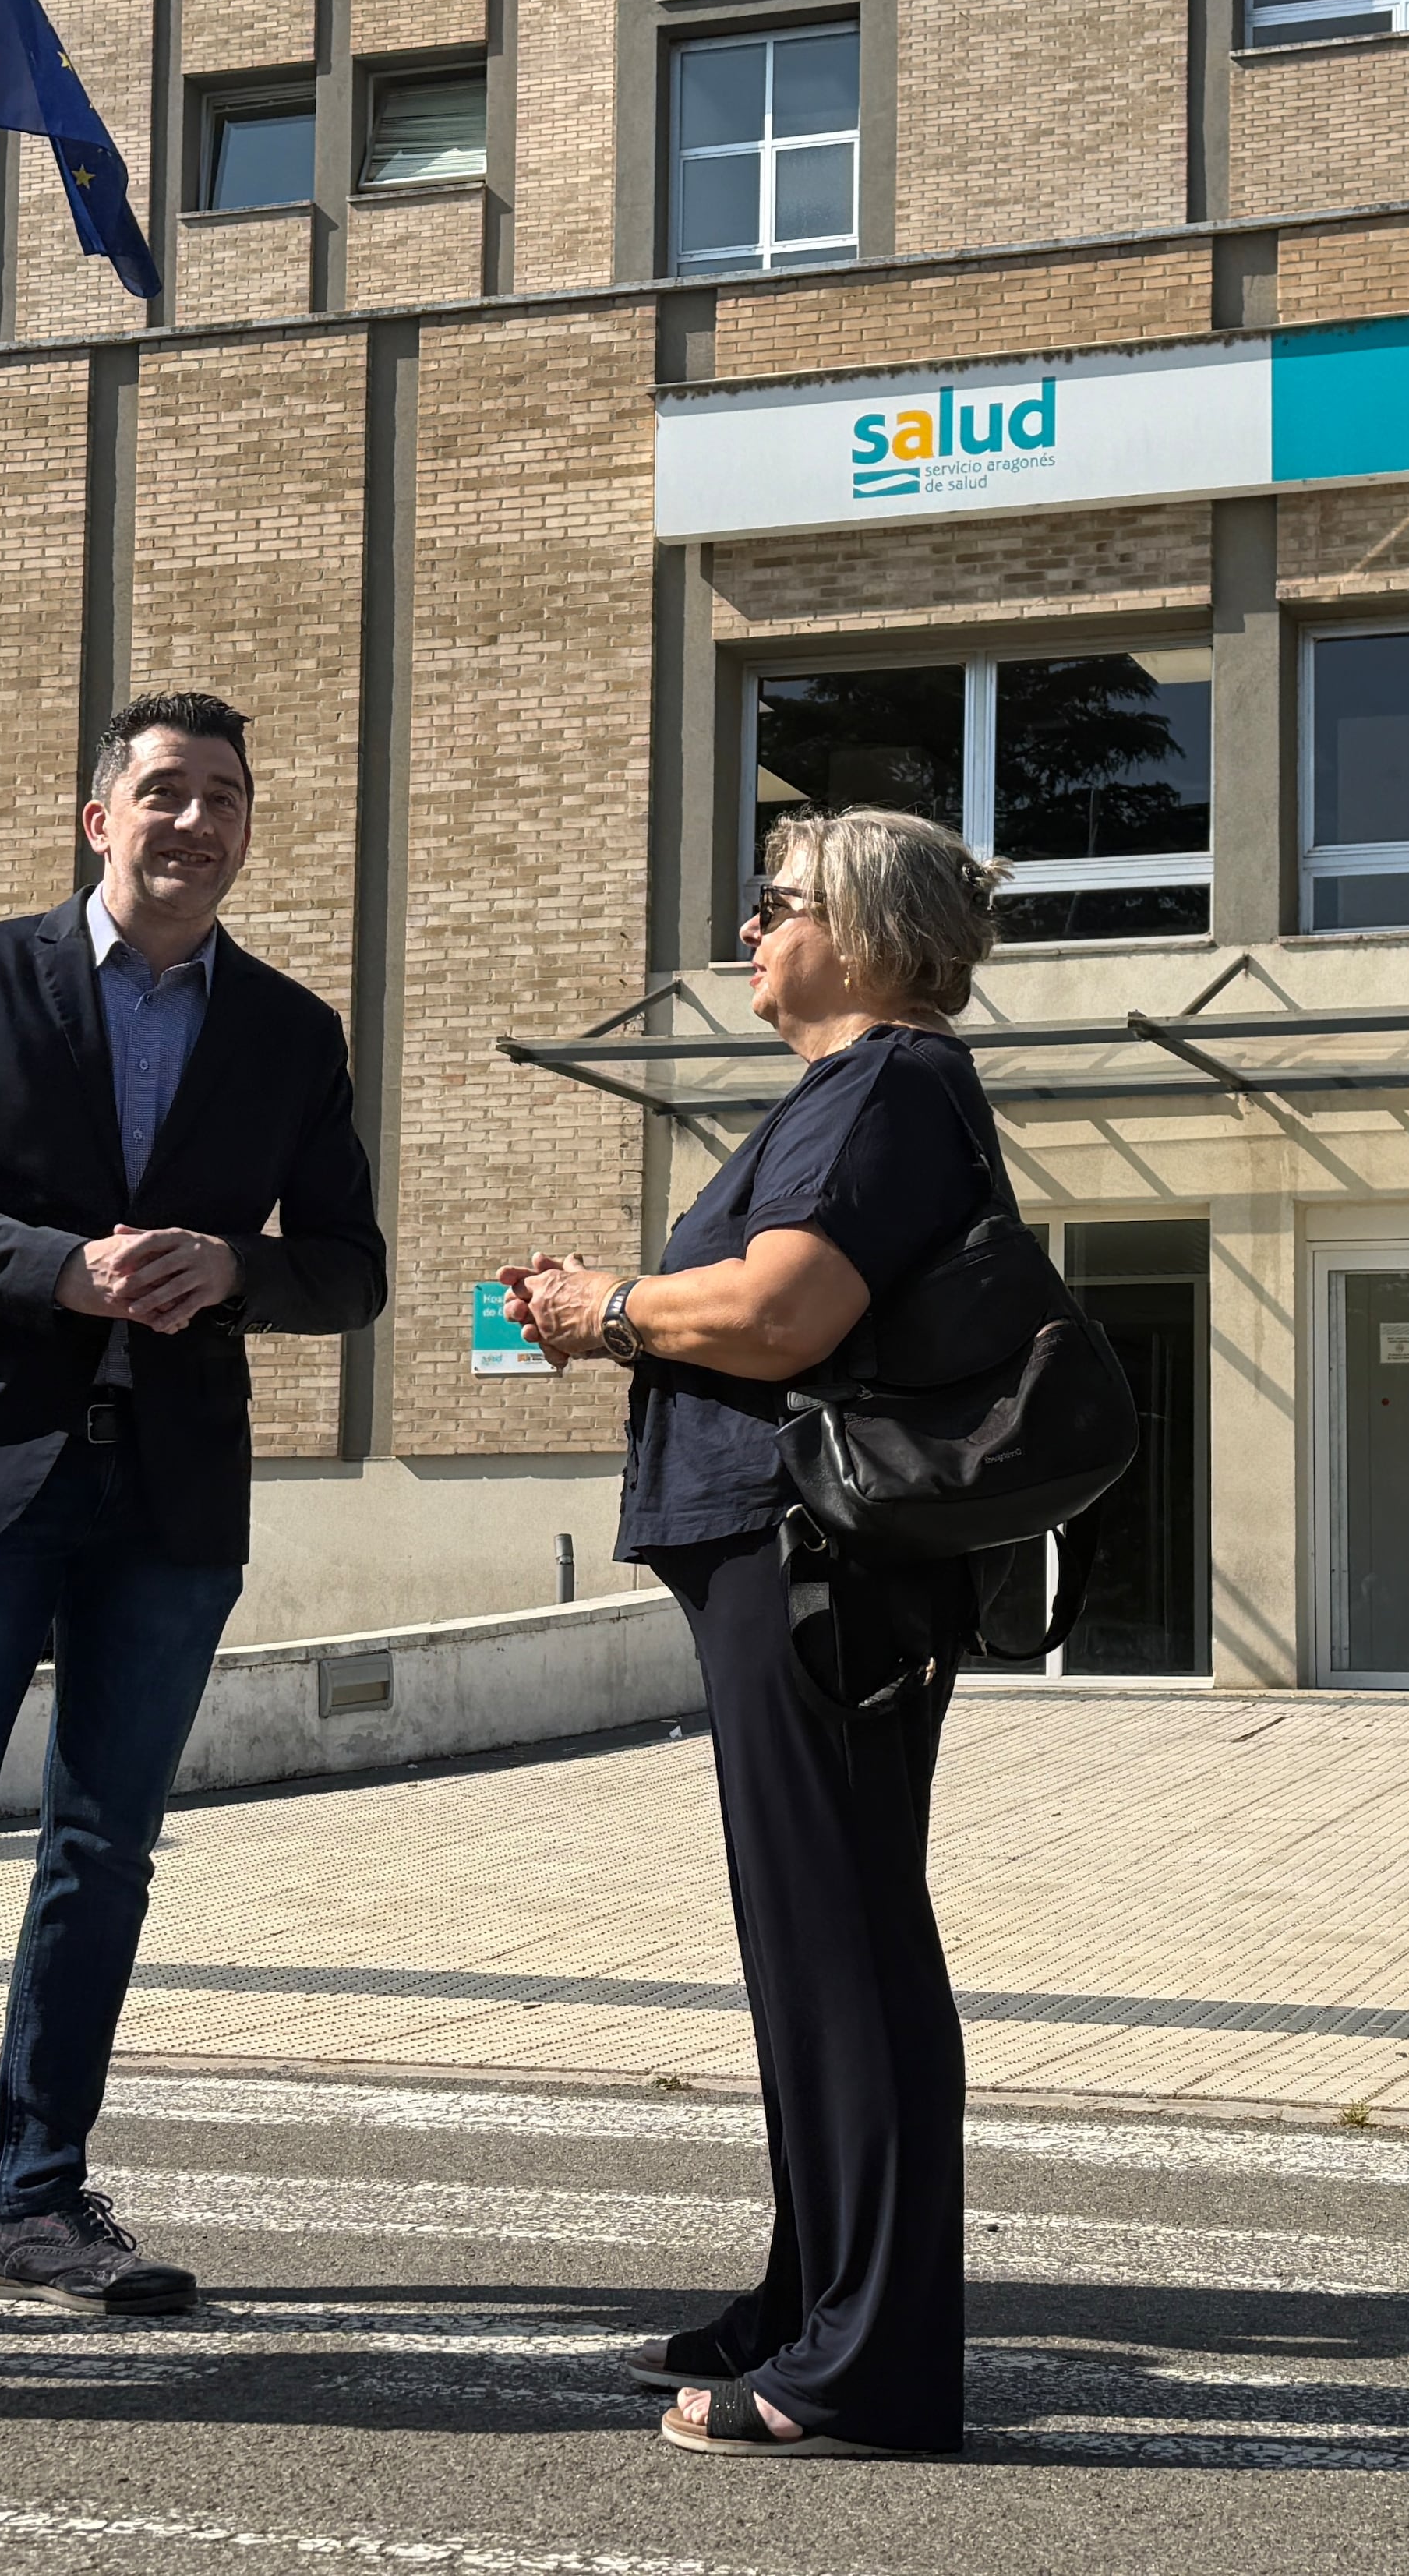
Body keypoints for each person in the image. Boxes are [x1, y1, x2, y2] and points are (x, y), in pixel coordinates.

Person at [0, 690, 386, 2356]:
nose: (196, 824)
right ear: (96, 816)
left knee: (103, 1850)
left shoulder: (286, 1029)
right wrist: (58, 1267)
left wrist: (238, 1270)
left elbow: (353, 1263)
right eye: (166, 793)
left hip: (169, 1495)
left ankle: (36, 2198)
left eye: (227, 801)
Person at [500, 803, 1005, 2460]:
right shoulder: (858, 1093)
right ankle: (816, 2302)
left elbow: (785, 1310)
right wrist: (637, 1312)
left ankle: (866, 2368)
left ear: (861, 931)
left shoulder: (885, 1086)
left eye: (775, 905)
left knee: (843, 1945)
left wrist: (609, 1310)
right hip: (787, 1568)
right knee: (816, 1944)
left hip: (816, 1573)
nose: (749, 933)